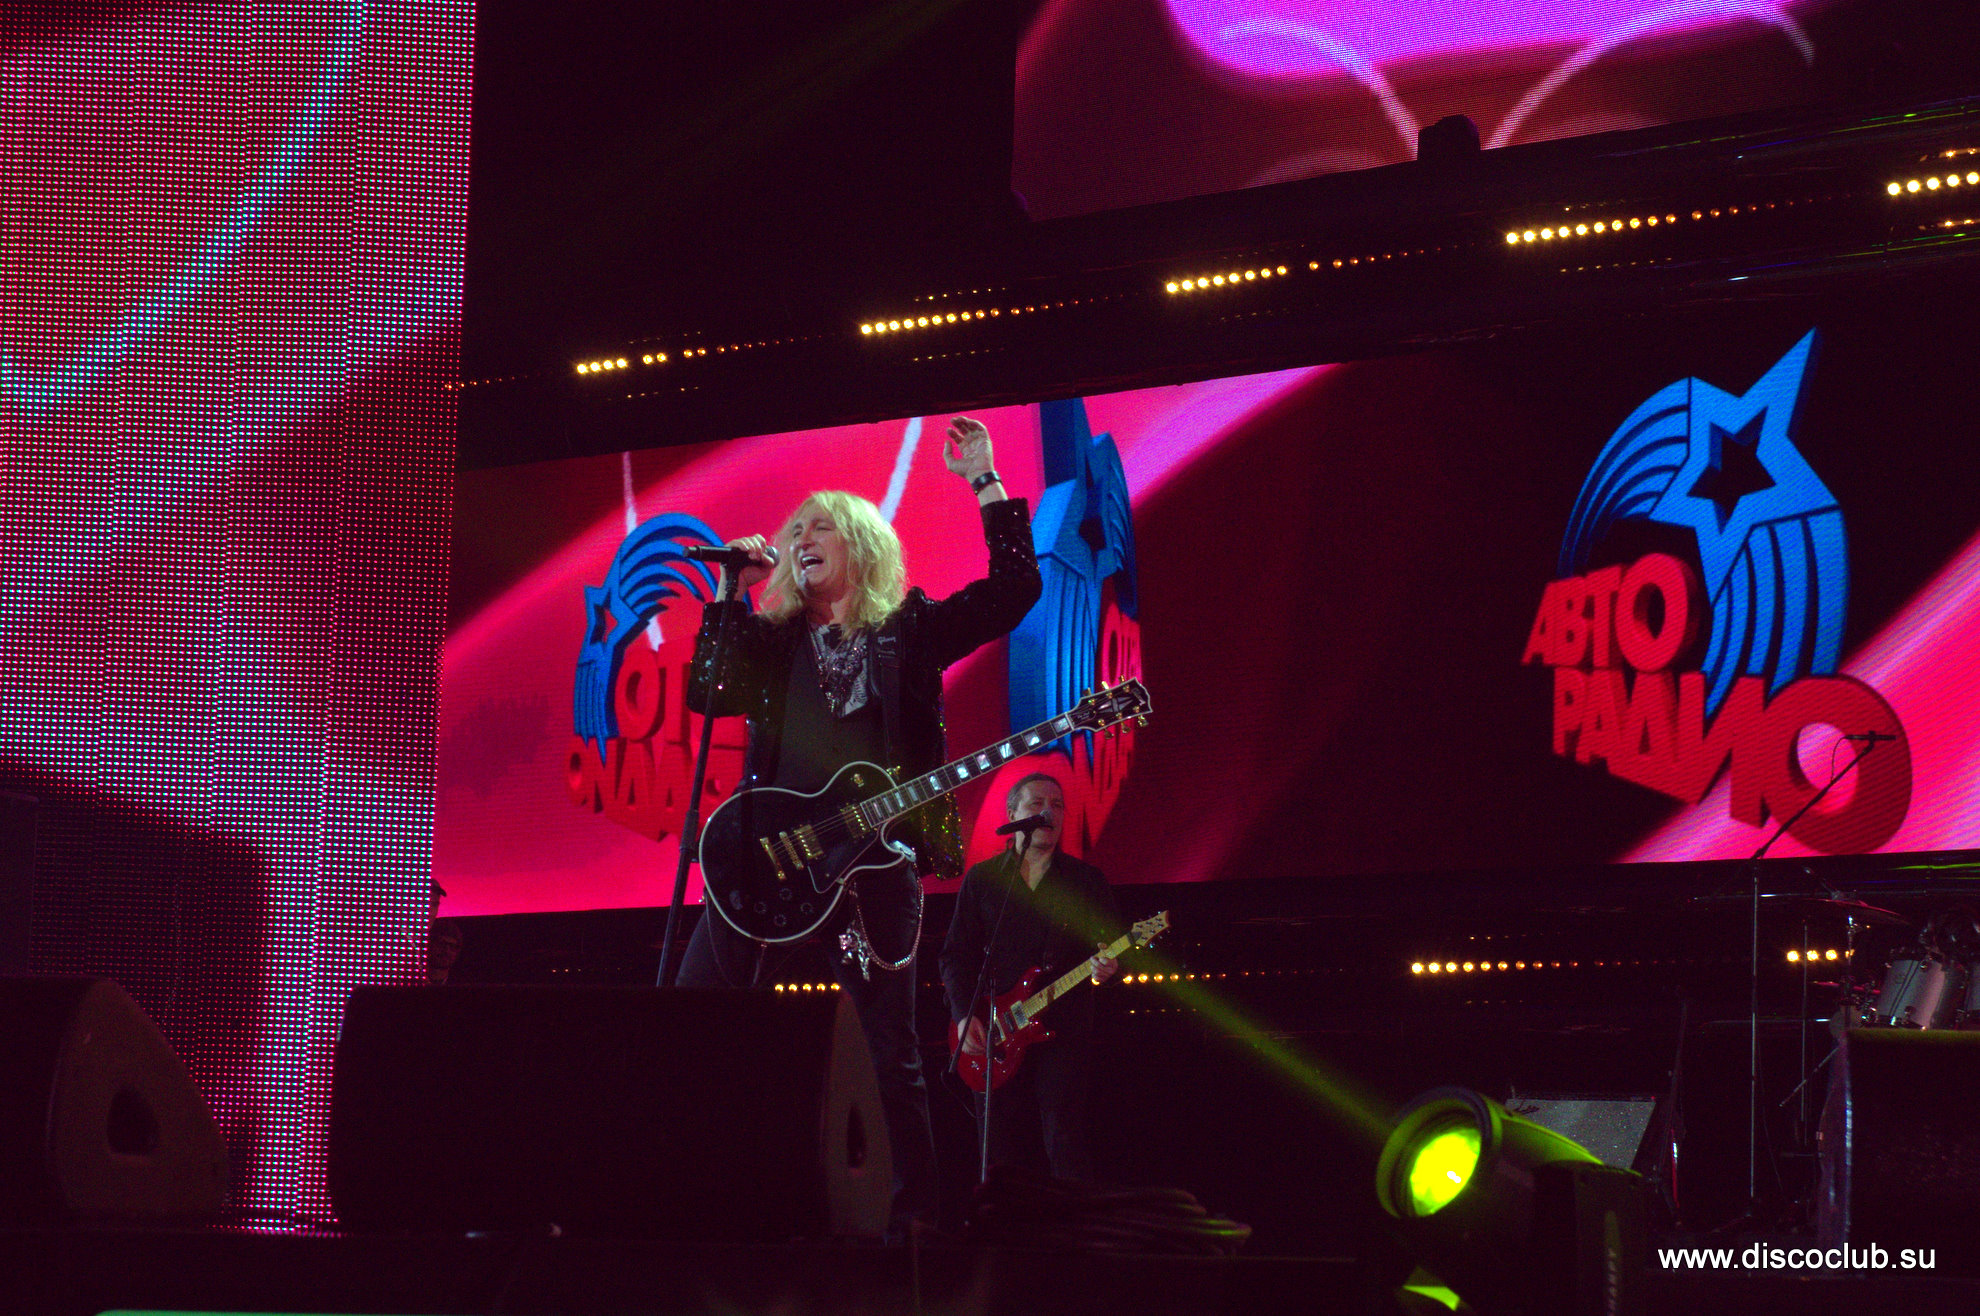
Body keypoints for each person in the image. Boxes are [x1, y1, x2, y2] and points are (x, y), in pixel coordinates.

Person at [681, 416, 1042, 1237]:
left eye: (821, 528)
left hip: (877, 869)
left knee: (890, 1053)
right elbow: (708, 694)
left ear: (861, 546)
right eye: (795, 531)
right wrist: (733, 592)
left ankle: (912, 1225)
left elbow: (1014, 592)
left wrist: (985, 479)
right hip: (771, 864)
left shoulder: (908, 629)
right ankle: (706, 1203)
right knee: (697, 1018)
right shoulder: (772, 642)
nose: (801, 538)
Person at [940, 771, 1122, 1184]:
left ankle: (1074, 1220)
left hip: (1063, 1028)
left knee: (1063, 1136)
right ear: (1013, 814)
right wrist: (964, 1015)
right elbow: (955, 955)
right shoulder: (984, 879)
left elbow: (1111, 947)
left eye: (1057, 805)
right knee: (998, 1145)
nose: (1048, 812)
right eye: (1037, 803)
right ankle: (1001, 1220)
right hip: (997, 1032)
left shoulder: (1085, 881)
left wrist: (1110, 969)